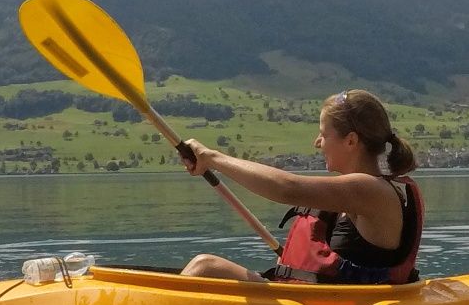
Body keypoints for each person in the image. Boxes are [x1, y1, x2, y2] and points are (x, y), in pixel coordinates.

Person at [178, 90, 424, 283]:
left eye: (323, 134)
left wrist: (212, 158)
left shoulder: (371, 190)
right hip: (315, 304)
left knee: (204, 267)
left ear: (351, 141)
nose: (317, 143)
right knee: (208, 269)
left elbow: (288, 188)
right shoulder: (355, 193)